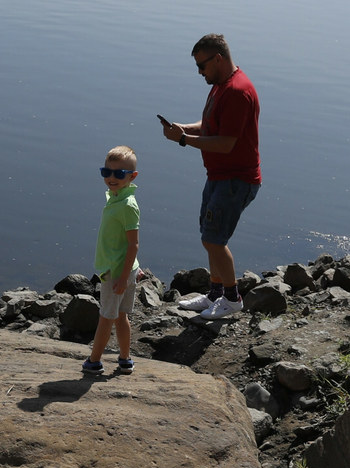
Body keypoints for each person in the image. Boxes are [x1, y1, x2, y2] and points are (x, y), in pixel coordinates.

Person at [161, 33, 261, 320]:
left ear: (218, 58)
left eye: (202, 65)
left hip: (235, 180)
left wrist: (182, 140)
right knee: (209, 237)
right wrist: (186, 128)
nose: (199, 72)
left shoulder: (237, 91)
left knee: (216, 240)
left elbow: (226, 142)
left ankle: (232, 298)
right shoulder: (221, 85)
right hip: (219, 176)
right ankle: (215, 293)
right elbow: (212, 124)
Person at [82, 145, 141, 376]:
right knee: (120, 316)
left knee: (106, 317)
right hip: (125, 270)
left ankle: (94, 361)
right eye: (107, 172)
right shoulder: (117, 198)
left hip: (115, 273)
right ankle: (125, 359)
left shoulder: (127, 206)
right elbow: (127, 243)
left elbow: (133, 244)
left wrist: (123, 277)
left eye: (119, 174)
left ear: (132, 176)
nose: (111, 178)